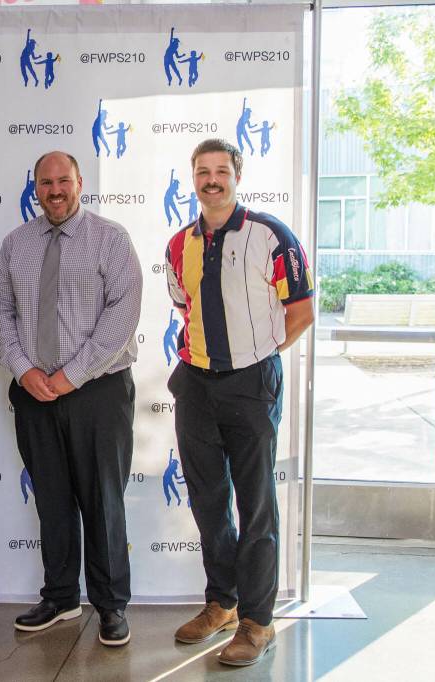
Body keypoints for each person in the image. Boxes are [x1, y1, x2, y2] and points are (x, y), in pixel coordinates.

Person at [165, 139, 314, 666]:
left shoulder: (271, 235)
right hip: (196, 384)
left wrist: (255, 359)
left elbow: (300, 311)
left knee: (255, 506)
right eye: (203, 171)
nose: (212, 180)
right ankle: (221, 603)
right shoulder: (178, 243)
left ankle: (257, 621)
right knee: (208, 502)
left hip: (251, 383)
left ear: (237, 175)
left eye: (221, 170)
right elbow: (184, 308)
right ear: (194, 178)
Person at [0, 151, 143, 648]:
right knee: (52, 501)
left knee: (102, 499)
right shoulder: (16, 245)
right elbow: (0, 314)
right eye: (44, 182)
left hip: (98, 391)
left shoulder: (110, 239)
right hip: (34, 393)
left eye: (63, 181)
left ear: (79, 183)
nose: (54, 190)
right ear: (34, 187)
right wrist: (24, 369)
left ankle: (110, 605)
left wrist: (71, 376)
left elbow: (123, 314)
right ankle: (59, 596)